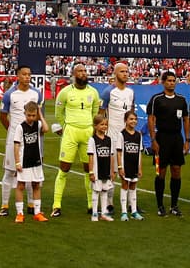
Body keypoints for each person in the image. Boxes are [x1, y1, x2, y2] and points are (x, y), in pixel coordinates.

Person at [52, 62, 101, 217]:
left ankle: (90, 205)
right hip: (71, 132)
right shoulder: (65, 92)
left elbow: (95, 111)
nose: (83, 73)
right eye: (80, 71)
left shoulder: (93, 92)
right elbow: (58, 112)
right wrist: (66, 127)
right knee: (64, 168)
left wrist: (92, 128)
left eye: (85, 70)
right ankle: (56, 205)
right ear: (74, 74)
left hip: (87, 132)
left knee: (89, 170)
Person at [0, 65, 45, 216]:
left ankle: (31, 205)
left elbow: (38, 116)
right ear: (17, 76)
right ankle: (4, 206)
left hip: (32, 140)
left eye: (29, 74)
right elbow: (3, 117)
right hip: (14, 138)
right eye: (24, 74)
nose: (27, 77)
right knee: (10, 172)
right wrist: (14, 132)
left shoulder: (36, 93)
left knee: (31, 173)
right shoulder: (9, 95)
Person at [147, 70, 189, 217]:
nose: (171, 83)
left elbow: (185, 120)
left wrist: (187, 140)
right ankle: (160, 205)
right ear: (163, 82)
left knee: (176, 171)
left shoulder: (181, 100)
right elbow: (151, 120)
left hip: (177, 138)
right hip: (162, 138)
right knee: (161, 173)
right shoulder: (156, 99)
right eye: (169, 80)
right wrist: (153, 140)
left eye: (173, 80)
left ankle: (174, 205)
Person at [100, 62, 134, 214]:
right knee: (112, 171)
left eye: (127, 71)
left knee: (130, 170)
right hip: (112, 136)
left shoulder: (131, 92)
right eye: (122, 71)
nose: (125, 74)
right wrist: (101, 133)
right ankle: (109, 202)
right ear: (115, 74)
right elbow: (100, 114)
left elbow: (131, 113)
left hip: (127, 137)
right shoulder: (108, 92)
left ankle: (130, 203)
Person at [12, 101, 48, 223]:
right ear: (25, 113)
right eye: (29, 115)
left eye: (33, 115)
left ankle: (37, 213)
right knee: (21, 186)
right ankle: (20, 213)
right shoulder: (20, 127)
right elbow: (16, 146)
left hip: (36, 160)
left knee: (36, 185)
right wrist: (17, 162)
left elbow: (46, 129)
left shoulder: (38, 124)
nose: (31, 118)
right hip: (24, 160)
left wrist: (41, 116)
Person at [88, 112, 116, 221]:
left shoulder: (109, 140)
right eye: (101, 124)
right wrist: (91, 172)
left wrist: (113, 171)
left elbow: (111, 156)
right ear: (95, 126)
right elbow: (90, 157)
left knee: (105, 190)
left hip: (106, 170)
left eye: (105, 125)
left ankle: (104, 213)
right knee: (96, 191)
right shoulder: (92, 140)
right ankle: (94, 213)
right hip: (96, 170)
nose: (104, 127)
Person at [117, 109, 144, 220]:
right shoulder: (121, 134)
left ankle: (133, 211)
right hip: (125, 165)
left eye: (135, 119)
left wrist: (140, 168)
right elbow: (119, 152)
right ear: (125, 120)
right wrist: (120, 167)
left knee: (133, 187)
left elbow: (139, 153)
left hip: (134, 165)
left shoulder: (138, 135)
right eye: (131, 119)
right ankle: (124, 212)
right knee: (125, 186)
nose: (133, 121)